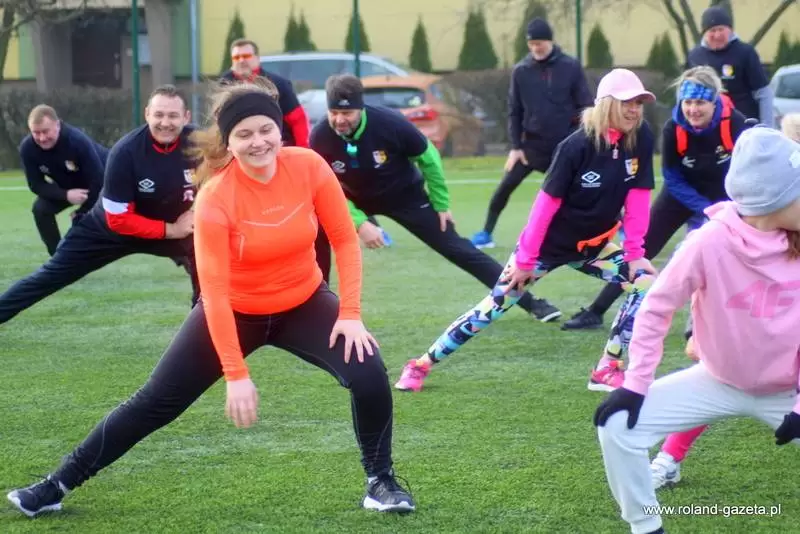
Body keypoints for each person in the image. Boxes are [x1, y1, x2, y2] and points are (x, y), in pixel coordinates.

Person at [6, 80, 416, 518]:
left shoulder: (309, 166)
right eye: (244, 134)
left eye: (266, 130)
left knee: (369, 371)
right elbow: (215, 292)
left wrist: (350, 314)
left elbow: (344, 239)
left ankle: (380, 482)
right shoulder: (216, 197)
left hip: (303, 302)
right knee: (155, 402)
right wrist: (235, 373)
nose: (258, 142)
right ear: (228, 142)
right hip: (233, 311)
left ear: (279, 130)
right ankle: (56, 484)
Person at [395, 69, 658, 393]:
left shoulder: (640, 137)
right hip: (545, 248)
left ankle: (607, 368)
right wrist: (525, 260)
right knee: (493, 307)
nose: (634, 110)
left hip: (595, 246)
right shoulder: (576, 146)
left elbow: (638, 198)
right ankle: (420, 365)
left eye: (638, 103)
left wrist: (634, 254)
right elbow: (544, 207)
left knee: (644, 282)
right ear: (606, 104)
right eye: (627, 102)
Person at [594, 126, 800, 534]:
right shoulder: (708, 242)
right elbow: (656, 307)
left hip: (787, 391)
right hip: (717, 380)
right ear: (773, 199)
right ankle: (646, 527)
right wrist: (636, 384)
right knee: (616, 426)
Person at [310, 74, 561, 324]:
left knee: (459, 249)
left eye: (347, 113)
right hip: (354, 199)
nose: (339, 120)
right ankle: (318, 311)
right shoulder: (320, 136)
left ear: (361, 108)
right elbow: (323, 187)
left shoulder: (390, 123)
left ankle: (531, 303)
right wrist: (359, 222)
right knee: (315, 230)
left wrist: (441, 205)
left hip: (405, 197)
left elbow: (428, 159)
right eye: (334, 113)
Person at [649, 109, 800, 490]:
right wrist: (694, 332)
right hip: (742, 329)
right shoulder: (739, 219)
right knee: (715, 378)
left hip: (786, 350)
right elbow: (704, 276)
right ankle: (670, 457)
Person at [563, 66, 751, 331]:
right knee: (641, 248)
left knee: (724, 255)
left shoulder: (735, 124)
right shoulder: (673, 128)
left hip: (724, 198)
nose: (693, 109)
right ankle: (596, 311)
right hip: (680, 195)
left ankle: (717, 321)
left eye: (700, 103)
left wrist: (723, 210)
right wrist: (703, 208)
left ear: (714, 101)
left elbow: (746, 172)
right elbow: (671, 177)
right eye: (687, 102)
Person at [0, 84, 200, 325]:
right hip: (108, 231)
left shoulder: (201, 143)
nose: (165, 123)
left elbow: (224, 179)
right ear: (147, 114)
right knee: (48, 277)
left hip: (171, 228)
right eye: (159, 114)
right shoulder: (125, 152)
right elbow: (119, 220)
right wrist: (171, 230)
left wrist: (195, 213)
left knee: (208, 264)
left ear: (186, 117)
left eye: (173, 116)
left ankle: (202, 331)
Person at [220, 38, 389, 281]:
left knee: (312, 213)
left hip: (281, 159)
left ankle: (319, 282)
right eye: (236, 57)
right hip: (242, 163)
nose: (241, 61)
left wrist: (302, 157)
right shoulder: (224, 84)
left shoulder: (278, 84)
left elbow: (298, 120)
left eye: (246, 56)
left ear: (257, 58)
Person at [471, 17, 592, 249]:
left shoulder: (570, 66)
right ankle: (486, 233)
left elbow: (585, 105)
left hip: (564, 147)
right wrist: (516, 147)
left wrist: (581, 140)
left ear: (550, 41)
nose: (536, 48)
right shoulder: (521, 71)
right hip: (531, 148)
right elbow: (514, 110)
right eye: (532, 43)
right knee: (505, 187)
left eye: (540, 43)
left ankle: (619, 229)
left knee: (588, 187)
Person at [20, 105, 108, 256]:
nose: (42, 138)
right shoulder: (28, 148)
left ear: (57, 125)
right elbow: (35, 184)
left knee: (84, 223)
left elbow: (98, 180)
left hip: (105, 180)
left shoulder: (76, 141)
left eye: (45, 131)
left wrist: (82, 211)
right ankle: (57, 258)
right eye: (36, 133)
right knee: (40, 210)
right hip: (69, 186)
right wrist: (65, 195)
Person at [686, 5, 773, 126]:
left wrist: (767, 126)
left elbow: (763, 93)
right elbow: (686, 95)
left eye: (721, 29)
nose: (717, 35)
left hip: (744, 125)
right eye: (712, 31)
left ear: (730, 30)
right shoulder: (695, 56)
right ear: (704, 33)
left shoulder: (745, 52)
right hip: (708, 127)